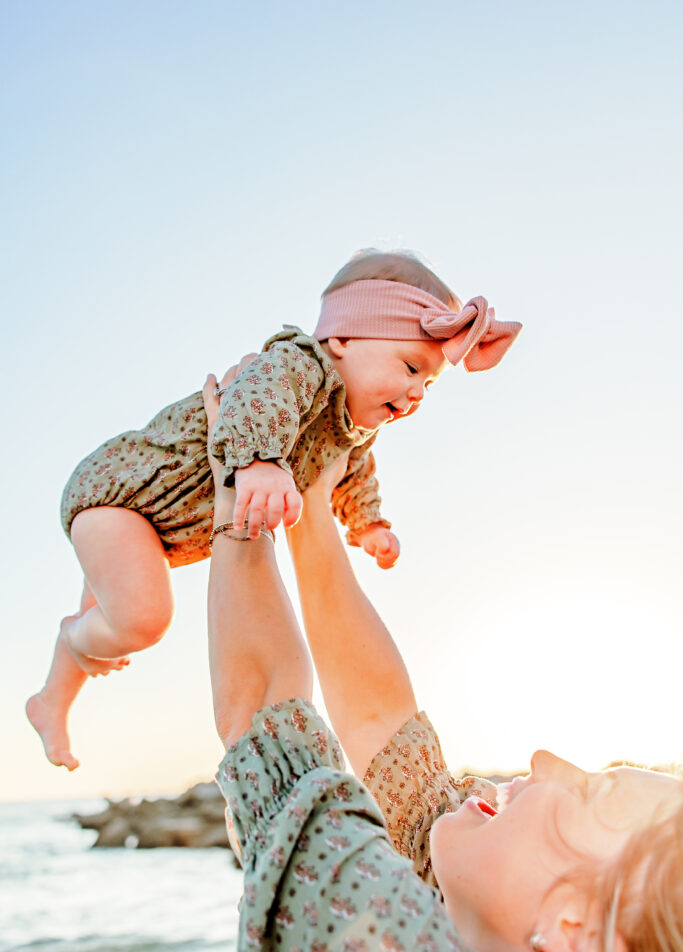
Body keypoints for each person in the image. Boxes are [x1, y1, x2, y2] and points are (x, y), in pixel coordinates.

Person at [202, 376, 683, 952]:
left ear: (572, 929)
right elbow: (383, 724)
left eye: (587, 793)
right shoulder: (473, 898)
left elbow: (266, 717)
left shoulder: (381, 929)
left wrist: (239, 498)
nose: (545, 759)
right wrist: (312, 502)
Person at [27, 249, 521, 770]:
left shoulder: (351, 432)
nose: (418, 391)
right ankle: (76, 640)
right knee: (144, 619)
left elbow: (354, 476)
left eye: (430, 383)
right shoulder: (297, 365)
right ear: (343, 340)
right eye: (411, 366)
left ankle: (50, 702)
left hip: (159, 532)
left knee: (123, 612)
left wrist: (368, 522)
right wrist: (261, 462)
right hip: (123, 496)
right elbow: (252, 397)